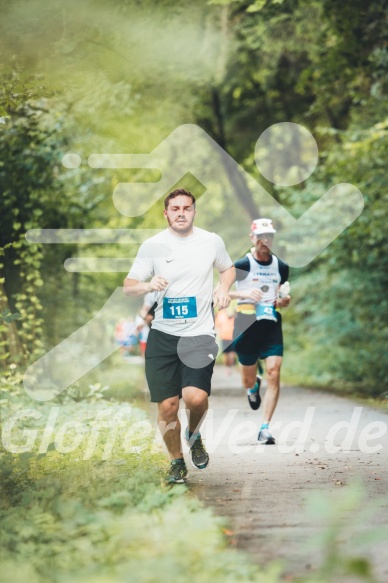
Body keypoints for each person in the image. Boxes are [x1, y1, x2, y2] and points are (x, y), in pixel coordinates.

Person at [123, 188, 235, 483]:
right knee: (168, 405)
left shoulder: (211, 241)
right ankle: (176, 462)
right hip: (163, 335)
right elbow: (129, 285)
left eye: (187, 208)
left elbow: (228, 269)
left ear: (194, 211)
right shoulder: (152, 246)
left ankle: (194, 434)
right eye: (175, 209)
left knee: (195, 398)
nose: (181, 213)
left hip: (199, 334)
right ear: (166, 213)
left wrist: (223, 288)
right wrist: (147, 286)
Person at [229, 218, 291, 445]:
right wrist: (243, 295)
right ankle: (253, 385)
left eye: (269, 236)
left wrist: (283, 301)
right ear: (252, 238)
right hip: (246, 325)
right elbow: (220, 291)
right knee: (247, 379)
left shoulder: (281, 267)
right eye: (261, 236)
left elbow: (281, 292)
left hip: (271, 324)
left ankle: (265, 428)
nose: (265, 241)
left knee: (274, 372)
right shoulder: (242, 265)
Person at [214, 307, 236, 375]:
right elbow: (217, 326)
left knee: (232, 353)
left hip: (233, 337)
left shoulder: (232, 313)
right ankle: (227, 368)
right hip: (224, 337)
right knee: (226, 354)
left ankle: (231, 364)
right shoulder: (220, 314)